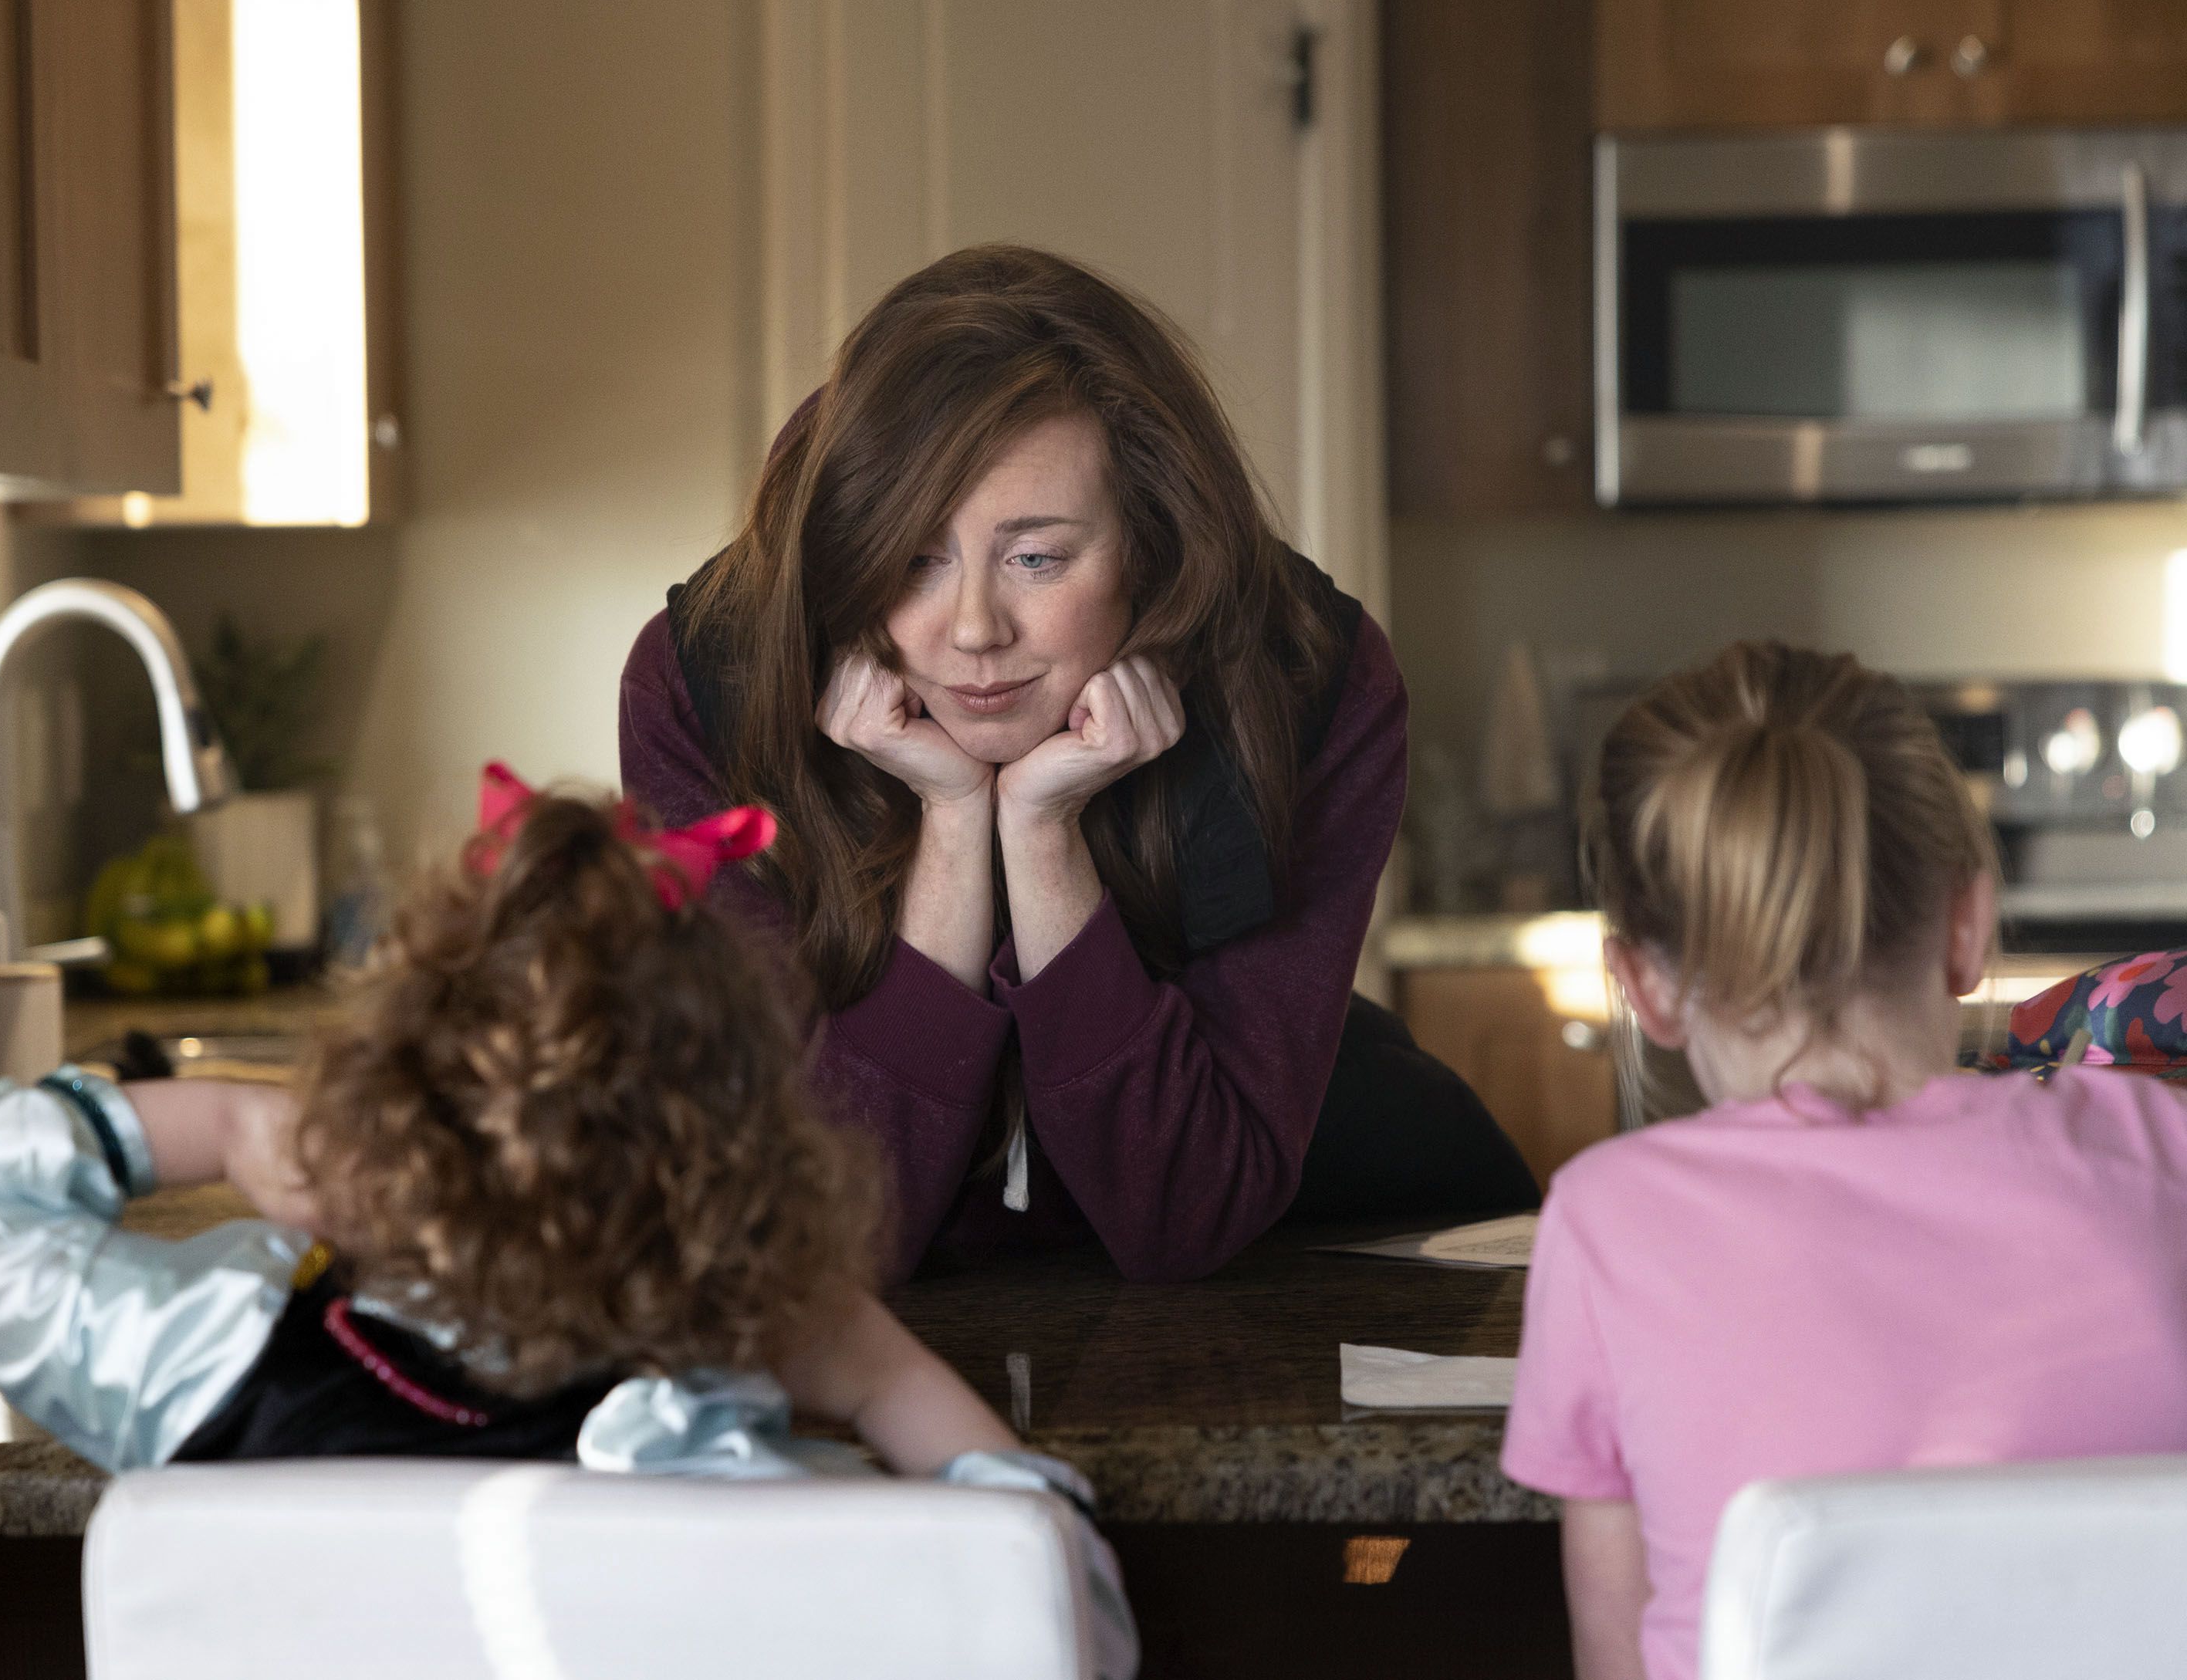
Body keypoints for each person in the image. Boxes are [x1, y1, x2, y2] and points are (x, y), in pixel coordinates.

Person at [0, 771, 1134, 1678]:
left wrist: (233, 1125)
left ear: (378, 1112)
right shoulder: (712, 1450)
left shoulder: (201, 1363)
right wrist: (871, 1368)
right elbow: (1045, 1596)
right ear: (748, 1167)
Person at [620, 244, 1534, 1285]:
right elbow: (820, 1238)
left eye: (1037, 557)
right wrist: (955, 826)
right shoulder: (707, 683)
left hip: (1301, 1245)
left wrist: (1044, 840)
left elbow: (1186, 1214)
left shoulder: (1305, 676)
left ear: (1150, 544)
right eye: (913, 557)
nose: (972, 629)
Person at [1500, 642, 2187, 1680]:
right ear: (1967, 927)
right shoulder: (2159, 1152)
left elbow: (1619, 1657)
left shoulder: (1604, 1224)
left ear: (1642, 986)